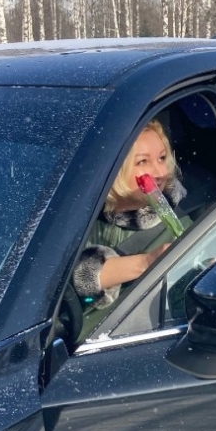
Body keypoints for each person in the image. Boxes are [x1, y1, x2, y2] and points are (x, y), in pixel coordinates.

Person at [72, 119, 191, 336]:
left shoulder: (186, 218)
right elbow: (74, 281)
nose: (159, 171)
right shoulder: (74, 218)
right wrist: (146, 262)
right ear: (114, 169)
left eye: (162, 158)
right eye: (143, 162)